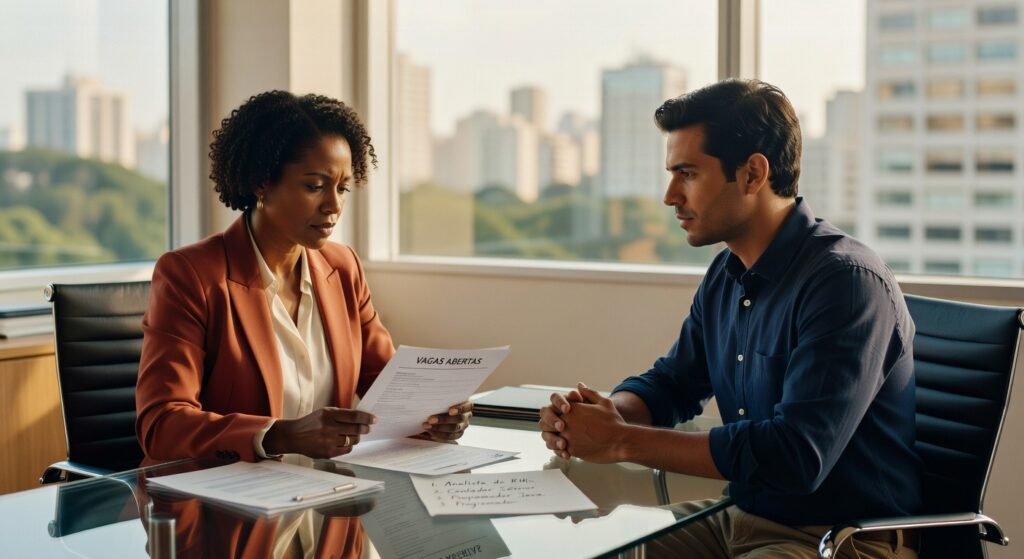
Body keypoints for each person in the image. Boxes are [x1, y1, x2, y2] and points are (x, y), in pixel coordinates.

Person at [539, 79, 922, 558]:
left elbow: (795, 457)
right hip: (736, 518)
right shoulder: (727, 271)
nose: (669, 195)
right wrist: (611, 411)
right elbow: (675, 382)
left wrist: (621, 442)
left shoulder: (845, 284)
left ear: (752, 174)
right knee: (596, 551)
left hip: (841, 539)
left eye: (687, 173)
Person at [136, 91, 472, 466]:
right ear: (261, 182)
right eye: (315, 186)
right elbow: (160, 425)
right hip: (226, 507)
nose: (333, 205)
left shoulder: (343, 268)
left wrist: (432, 418)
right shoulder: (192, 275)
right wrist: (281, 434)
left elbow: (389, 389)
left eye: (342, 187)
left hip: (326, 500)